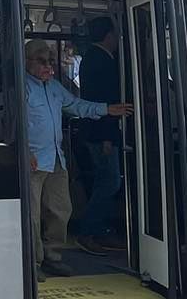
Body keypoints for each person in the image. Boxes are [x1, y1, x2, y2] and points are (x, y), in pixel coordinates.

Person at [24, 39, 132, 276]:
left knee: (61, 209)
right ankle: (32, 265)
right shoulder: (22, 87)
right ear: (27, 62)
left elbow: (75, 105)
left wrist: (107, 109)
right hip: (31, 160)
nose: (49, 67)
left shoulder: (53, 86)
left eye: (51, 61)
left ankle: (53, 256)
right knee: (31, 215)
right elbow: (13, 123)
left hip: (55, 158)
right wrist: (25, 152)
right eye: (42, 61)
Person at [68, 16, 126, 250]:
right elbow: (100, 100)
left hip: (102, 131)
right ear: (109, 35)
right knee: (109, 182)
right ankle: (89, 231)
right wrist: (107, 138)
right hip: (101, 132)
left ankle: (101, 229)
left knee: (107, 181)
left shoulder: (95, 58)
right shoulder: (98, 60)